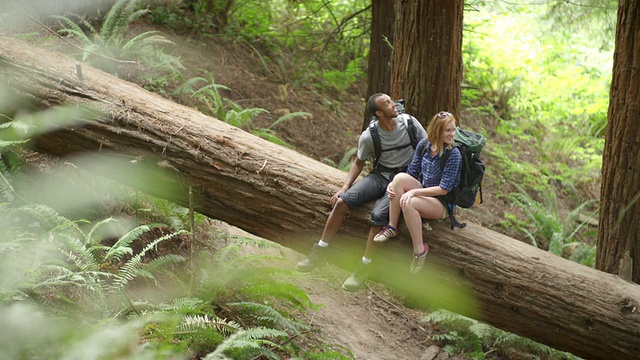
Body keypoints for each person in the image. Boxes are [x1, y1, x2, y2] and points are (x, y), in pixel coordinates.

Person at [295, 93, 427, 291]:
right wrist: (344, 187)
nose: (394, 105)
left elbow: (428, 148)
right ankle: (320, 252)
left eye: (391, 101)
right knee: (341, 203)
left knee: (377, 217)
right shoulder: (370, 135)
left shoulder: (410, 123)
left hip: (404, 182)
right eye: (388, 104)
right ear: (379, 113)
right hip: (380, 176)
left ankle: (363, 267)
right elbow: (359, 161)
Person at [372, 111, 462, 274]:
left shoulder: (453, 154)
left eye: (453, 130)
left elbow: (444, 189)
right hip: (424, 192)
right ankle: (392, 226)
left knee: (409, 203)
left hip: (442, 202)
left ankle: (419, 251)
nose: (452, 134)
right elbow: (411, 173)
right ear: (437, 130)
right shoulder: (424, 145)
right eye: (447, 130)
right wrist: (392, 186)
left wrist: (413, 193)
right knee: (399, 178)